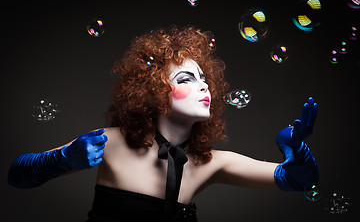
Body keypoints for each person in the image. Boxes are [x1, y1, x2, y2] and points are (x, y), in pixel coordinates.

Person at [8, 26, 319, 222]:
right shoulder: (110, 142)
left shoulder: (210, 163)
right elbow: (17, 175)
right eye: (186, 78)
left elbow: (297, 179)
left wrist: (296, 147)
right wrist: (63, 159)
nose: (204, 87)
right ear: (153, 93)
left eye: (203, 79)